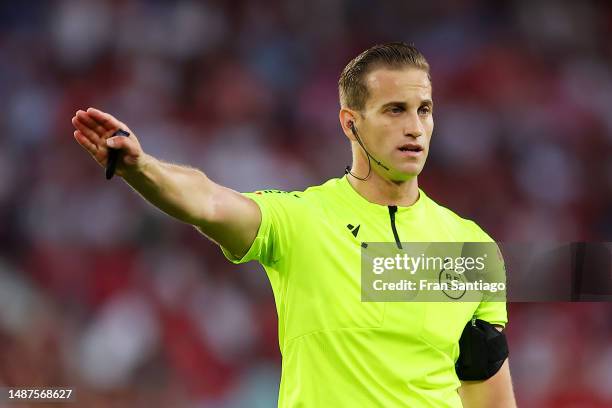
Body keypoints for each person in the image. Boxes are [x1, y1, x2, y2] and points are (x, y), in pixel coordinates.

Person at [71, 42, 516, 407]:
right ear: (351, 124)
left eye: (424, 109)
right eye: (395, 110)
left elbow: (489, 395)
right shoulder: (302, 219)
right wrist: (141, 167)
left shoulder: (471, 247)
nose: (415, 128)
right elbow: (208, 201)